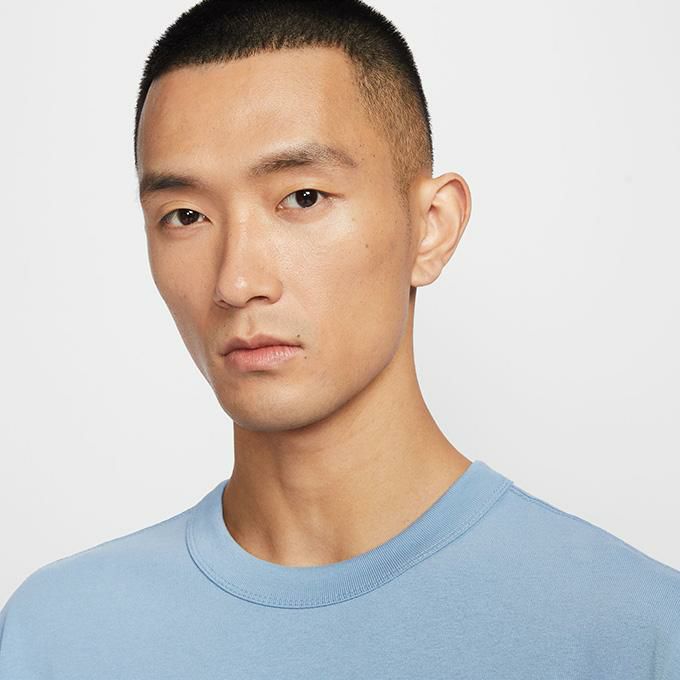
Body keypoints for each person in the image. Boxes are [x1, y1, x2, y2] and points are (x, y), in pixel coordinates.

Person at [1, 0, 678, 677]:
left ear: (432, 228)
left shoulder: (633, 632)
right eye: (185, 215)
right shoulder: (56, 635)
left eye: (303, 198)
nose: (237, 281)